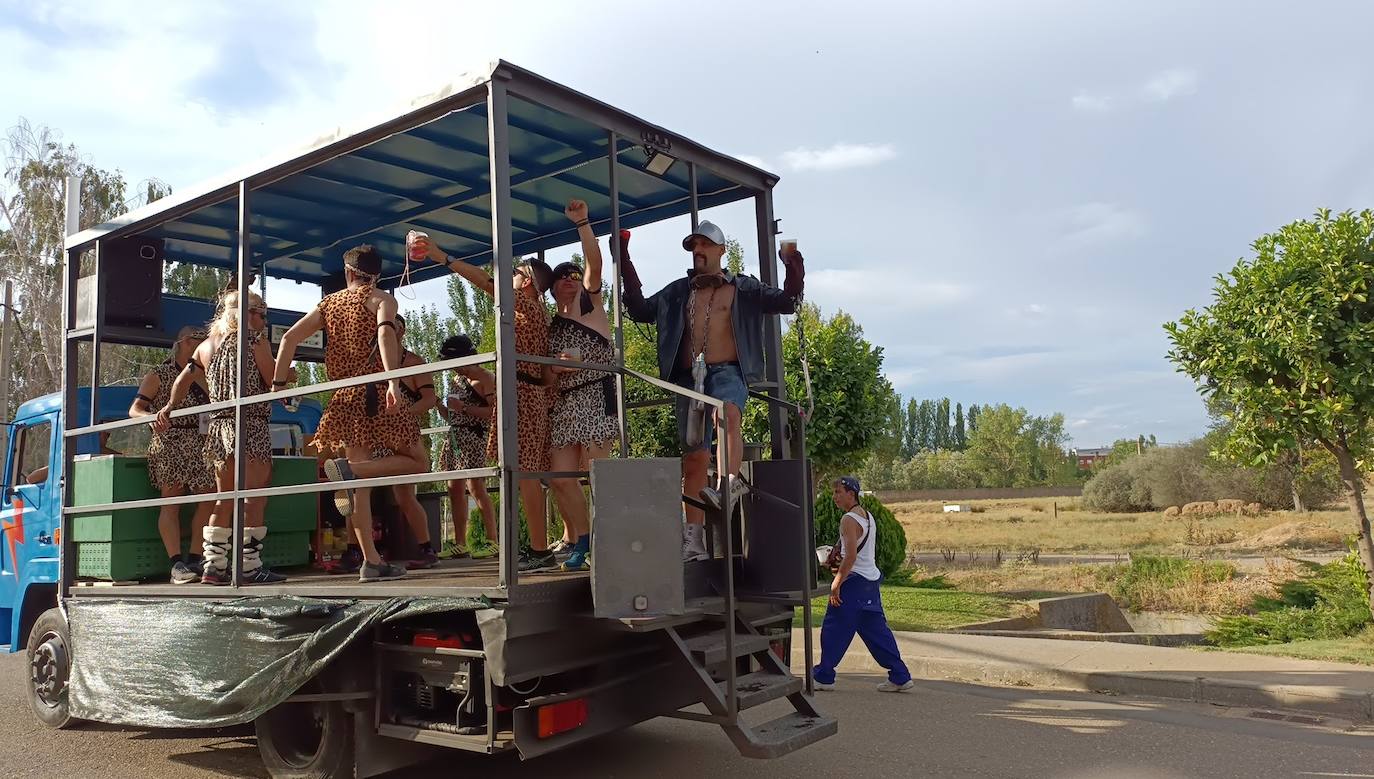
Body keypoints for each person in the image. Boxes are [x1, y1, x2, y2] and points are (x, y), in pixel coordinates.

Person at [621, 220, 804, 561]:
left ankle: (729, 482)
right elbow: (642, 310)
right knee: (694, 458)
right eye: (694, 247)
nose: (699, 251)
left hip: (729, 371)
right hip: (691, 378)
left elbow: (788, 301)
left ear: (721, 250)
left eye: (705, 245)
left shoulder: (745, 289)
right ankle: (693, 539)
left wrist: (793, 264)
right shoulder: (678, 291)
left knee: (729, 412)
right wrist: (625, 258)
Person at [273, 244, 426, 583]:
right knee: (418, 462)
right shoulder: (382, 299)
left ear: (348, 272)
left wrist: (278, 385)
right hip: (374, 389)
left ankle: (371, 561)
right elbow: (386, 334)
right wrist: (391, 381)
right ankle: (352, 470)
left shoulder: (329, 304)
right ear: (377, 273)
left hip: (344, 398)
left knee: (362, 490)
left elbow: (288, 338)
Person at [415, 235, 559, 573]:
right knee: (525, 476)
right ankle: (539, 546)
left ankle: (540, 549)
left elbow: (482, 281)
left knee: (523, 476)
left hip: (522, 394)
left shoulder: (524, 303)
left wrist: (443, 257)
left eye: (515, 272)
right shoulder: (536, 310)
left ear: (527, 282)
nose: (507, 277)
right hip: (530, 393)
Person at [157, 292, 286, 585]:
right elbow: (271, 376)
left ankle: (213, 567)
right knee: (255, 498)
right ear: (249, 314)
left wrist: (169, 406)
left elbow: (182, 380)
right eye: (261, 314)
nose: (263, 321)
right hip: (250, 424)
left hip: (218, 428)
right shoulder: (254, 340)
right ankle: (250, 567)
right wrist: (288, 373)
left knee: (223, 499)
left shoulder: (205, 346)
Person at [545, 199, 619, 572]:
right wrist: (554, 372)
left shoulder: (590, 304)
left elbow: (595, 263)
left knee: (599, 476)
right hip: (565, 402)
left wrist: (582, 223)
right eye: (563, 277)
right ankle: (582, 538)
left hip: (595, 394)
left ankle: (607, 542)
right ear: (553, 287)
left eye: (574, 276)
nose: (571, 281)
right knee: (560, 477)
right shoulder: (551, 326)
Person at [129, 326, 216, 584]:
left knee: (209, 497)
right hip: (170, 441)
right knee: (172, 500)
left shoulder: (206, 374)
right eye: (199, 340)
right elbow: (135, 409)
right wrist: (151, 417)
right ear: (186, 342)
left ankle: (195, 557)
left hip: (202, 441)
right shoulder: (159, 374)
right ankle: (175, 562)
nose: (203, 344)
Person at [811, 476, 913, 694]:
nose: (835, 497)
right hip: (870, 581)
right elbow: (856, 550)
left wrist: (836, 583)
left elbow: (851, 558)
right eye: (834, 492)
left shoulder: (848, 519)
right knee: (877, 632)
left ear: (852, 493)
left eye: (839, 492)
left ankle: (823, 676)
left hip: (853, 582)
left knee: (833, 628)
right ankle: (900, 676)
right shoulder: (868, 517)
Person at [433, 334, 499, 560]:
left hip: (474, 438)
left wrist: (464, 409)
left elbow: (494, 412)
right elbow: (451, 415)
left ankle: (493, 540)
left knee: (476, 486)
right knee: (454, 488)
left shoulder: (485, 378)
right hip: (455, 439)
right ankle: (460, 542)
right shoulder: (455, 381)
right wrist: (438, 405)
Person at [384, 314, 440, 569]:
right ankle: (355, 551)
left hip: (403, 433)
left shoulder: (415, 362)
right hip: (374, 433)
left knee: (405, 493)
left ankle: (426, 549)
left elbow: (429, 399)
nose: (388, 328)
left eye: (393, 324)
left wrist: (403, 415)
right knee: (358, 491)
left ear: (402, 330)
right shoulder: (372, 361)